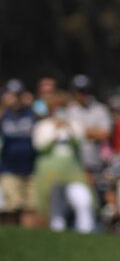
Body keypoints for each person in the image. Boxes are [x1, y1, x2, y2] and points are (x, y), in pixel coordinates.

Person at [32, 91, 97, 232]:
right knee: (56, 206)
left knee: (83, 200)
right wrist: (55, 131)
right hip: (50, 171)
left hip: (72, 170)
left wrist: (68, 128)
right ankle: (57, 231)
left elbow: (79, 143)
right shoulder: (43, 126)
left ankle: (86, 231)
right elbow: (41, 147)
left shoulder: (74, 125)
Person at [1, 80, 39, 227]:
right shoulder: (4, 114)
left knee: (30, 207)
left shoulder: (31, 112)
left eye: (18, 95)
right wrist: (4, 106)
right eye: (13, 95)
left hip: (31, 168)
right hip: (9, 168)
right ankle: (13, 237)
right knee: (12, 206)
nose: (16, 99)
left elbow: (47, 114)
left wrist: (33, 103)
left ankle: (27, 240)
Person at [65, 74, 112, 177]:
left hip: (98, 163)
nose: (83, 94)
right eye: (79, 91)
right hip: (76, 165)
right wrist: (91, 132)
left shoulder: (100, 109)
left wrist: (82, 132)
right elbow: (68, 134)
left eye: (85, 91)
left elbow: (106, 133)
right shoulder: (70, 110)